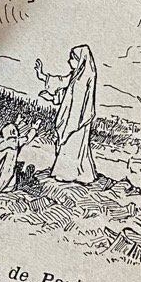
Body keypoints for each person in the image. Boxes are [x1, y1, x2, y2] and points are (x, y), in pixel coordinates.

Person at [38, 45, 99, 184]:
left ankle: (70, 174)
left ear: (81, 60)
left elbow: (80, 101)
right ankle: (72, 173)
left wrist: (73, 122)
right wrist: (42, 76)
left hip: (79, 120)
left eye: (72, 58)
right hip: (71, 118)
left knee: (75, 146)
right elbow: (62, 83)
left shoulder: (86, 77)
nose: (69, 61)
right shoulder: (75, 75)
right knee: (71, 146)